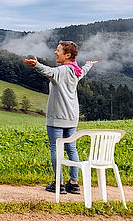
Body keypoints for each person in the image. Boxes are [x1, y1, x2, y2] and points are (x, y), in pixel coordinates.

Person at [24, 41, 97, 194]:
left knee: (55, 148)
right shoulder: (75, 71)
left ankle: (59, 183)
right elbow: (84, 70)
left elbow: (48, 71)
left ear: (67, 55)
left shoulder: (62, 71)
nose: (55, 52)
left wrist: (36, 64)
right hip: (72, 117)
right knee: (72, 148)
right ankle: (74, 183)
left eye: (58, 50)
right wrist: (89, 64)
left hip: (57, 117)